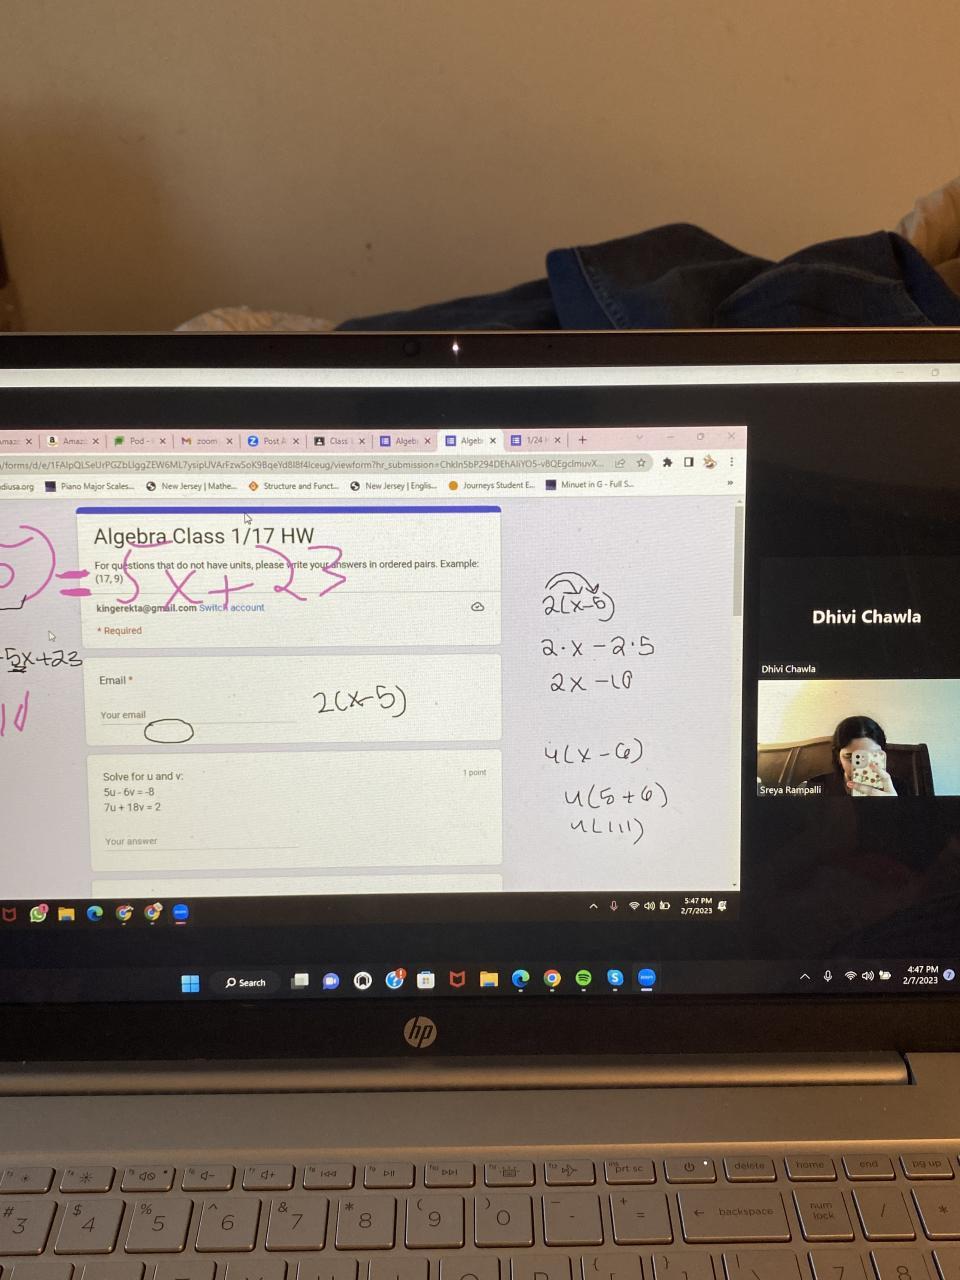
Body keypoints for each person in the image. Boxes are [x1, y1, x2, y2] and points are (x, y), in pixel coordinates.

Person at [805, 715, 904, 797]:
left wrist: (892, 808)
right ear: (838, 757)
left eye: (872, 756)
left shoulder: (900, 788)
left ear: (882, 755)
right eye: (851, 758)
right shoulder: (816, 785)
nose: (861, 767)